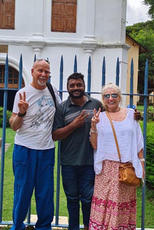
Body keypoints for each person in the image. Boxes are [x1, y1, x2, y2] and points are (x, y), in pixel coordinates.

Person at [9, 59, 61, 230]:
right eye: (40, 71)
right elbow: (14, 126)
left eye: (46, 72)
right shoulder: (22, 93)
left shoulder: (53, 91)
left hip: (46, 149)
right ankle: (17, 226)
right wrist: (22, 113)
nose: (43, 74)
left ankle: (44, 227)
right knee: (22, 191)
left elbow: (62, 113)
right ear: (32, 71)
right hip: (24, 149)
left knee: (45, 193)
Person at [88, 83, 144, 230]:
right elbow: (94, 145)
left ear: (119, 98)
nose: (110, 98)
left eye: (114, 95)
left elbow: (139, 142)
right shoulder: (100, 117)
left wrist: (142, 165)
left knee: (121, 204)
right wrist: (93, 126)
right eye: (107, 96)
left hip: (126, 167)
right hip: (106, 169)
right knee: (104, 204)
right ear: (103, 99)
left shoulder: (131, 114)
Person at [52, 73, 104, 230]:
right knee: (72, 198)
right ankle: (73, 227)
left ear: (84, 86)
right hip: (69, 161)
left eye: (79, 85)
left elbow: (113, 116)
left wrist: (133, 115)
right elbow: (55, 135)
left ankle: (89, 226)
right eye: (72, 85)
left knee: (88, 199)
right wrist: (73, 125)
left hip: (90, 161)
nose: (76, 88)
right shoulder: (62, 108)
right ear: (68, 88)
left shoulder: (96, 104)